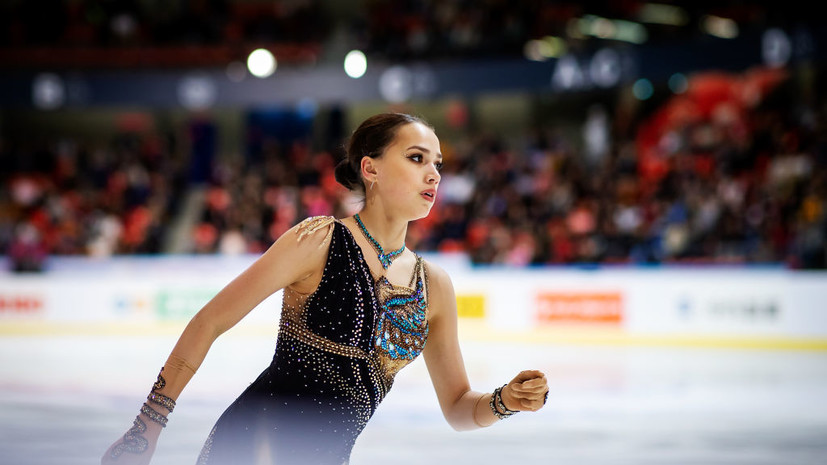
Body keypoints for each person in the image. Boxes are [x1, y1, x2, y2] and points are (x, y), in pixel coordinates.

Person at [102, 112, 549, 465]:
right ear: (370, 168)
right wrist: (147, 429)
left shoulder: (435, 287)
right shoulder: (317, 240)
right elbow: (209, 322)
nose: (433, 174)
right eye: (416, 158)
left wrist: (505, 401)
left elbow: (457, 408)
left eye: (438, 164)